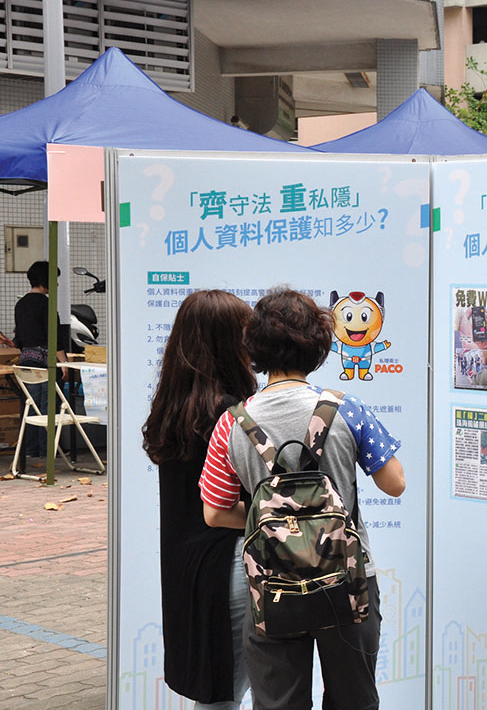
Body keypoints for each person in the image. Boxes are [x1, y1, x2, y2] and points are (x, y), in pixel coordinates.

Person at [200, 287, 405, 710]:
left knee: (278, 703)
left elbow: (215, 513)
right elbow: (395, 483)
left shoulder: (231, 424)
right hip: (348, 581)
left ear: (254, 349)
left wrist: (276, 521)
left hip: (271, 586)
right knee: (353, 700)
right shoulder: (348, 409)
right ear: (318, 347)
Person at [141, 290, 259, 709]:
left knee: (213, 692)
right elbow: (226, 510)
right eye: (246, 335)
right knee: (224, 692)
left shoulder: (171, 409)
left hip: (184, 568)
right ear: (229, 344)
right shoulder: (231, 414)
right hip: (226, 565)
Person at [13, 261, 68, 461]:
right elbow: (53, 336)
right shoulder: (46, 304)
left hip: (26, 359)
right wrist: (62, 362)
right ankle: (47, 449)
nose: (58, 285)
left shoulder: (21, 304)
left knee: (30, 405)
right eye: (55, 280)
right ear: (46, 280)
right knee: (47, 407)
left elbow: (19, 337)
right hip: (45, 360)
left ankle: (30, 448)